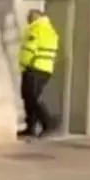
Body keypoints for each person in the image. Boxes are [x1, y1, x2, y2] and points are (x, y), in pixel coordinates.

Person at [18, 9, 59, 138]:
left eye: (29, 17)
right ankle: (31, 127)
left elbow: (29, 49)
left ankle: (48, 123)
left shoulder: (35, 29)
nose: (28, 20)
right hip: (45, 69)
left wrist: (23, 65)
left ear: (36, 17)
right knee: (31, 97)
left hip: (34, 67)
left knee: (31, 97)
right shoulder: (50, 30)